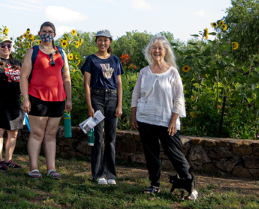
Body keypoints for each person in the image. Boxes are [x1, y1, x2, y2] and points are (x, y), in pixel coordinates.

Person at [131, 35, 195, 198]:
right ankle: (154, 184)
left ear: (165, 51)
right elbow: (136, 94)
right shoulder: (144, 72)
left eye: (160, 48)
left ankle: (190, 187)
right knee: (151, 154)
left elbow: (179, 98)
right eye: (154, 48)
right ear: (149, 51)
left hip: (167, 121)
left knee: (175, 155)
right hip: (145, 119)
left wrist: (173, 120)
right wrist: (133, 116)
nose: (157, 51)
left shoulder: (172, 72)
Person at [20, 21, 72, 179]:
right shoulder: (33, 51)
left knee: (50, 134)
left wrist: (68, 98)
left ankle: (51, 168)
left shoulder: (61, 52)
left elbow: (66, 76)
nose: (46, 33)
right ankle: (34, 168)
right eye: (43, 31)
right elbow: (23, 76)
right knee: (36, 133)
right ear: (39, 33)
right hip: (37, 98)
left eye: (49, 31)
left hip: (58, 99)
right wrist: (26, 99)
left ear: (55, 35)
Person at [81, 29, 124, 185]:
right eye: (100, 40)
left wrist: (119, 104)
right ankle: (98, 174)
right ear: (96, 41)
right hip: (97, 96)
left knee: (111, 138)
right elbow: (86, 84)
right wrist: (89, 105)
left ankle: (110, 174)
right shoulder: (91, 60)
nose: (102, 43)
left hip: (112, 97)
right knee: (98, 138)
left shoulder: (115, 60)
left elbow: (119, 83)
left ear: (110, 42)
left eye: (106, 40)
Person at [0, 36, 24, 171]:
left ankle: (9, 160)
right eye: (3, 45)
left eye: (9, 45)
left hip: (15, 103)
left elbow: (24, 82)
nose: (6, 48)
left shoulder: (18, 63)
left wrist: (26, 99)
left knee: (13, 133)